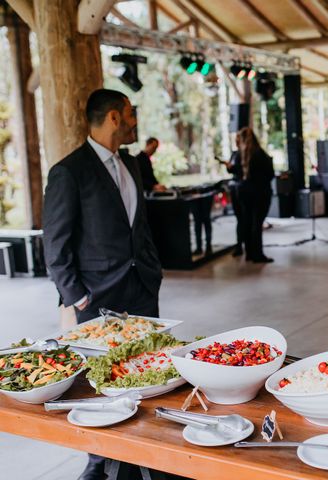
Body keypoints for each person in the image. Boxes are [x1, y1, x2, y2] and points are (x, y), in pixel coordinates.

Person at [42, 88, 163, 480]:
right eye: (130, 113)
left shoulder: (132, 163)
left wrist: (151, 270)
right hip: (96, 298)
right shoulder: (69, 171)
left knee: (148, 373)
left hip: (141, 287)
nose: (134, 119)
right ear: (114, 117)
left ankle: (145, 456)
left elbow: (138, 227)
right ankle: (99, 465)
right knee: (101, 385)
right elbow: (56, 245)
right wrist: (77, 297)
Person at [236, 127, 275, 263]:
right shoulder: (259, 154)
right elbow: (270, 174)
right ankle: (257, 254)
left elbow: (236, 173)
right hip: (259, 193)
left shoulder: (238, 155)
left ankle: (249, 253)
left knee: (247, 222)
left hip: (244, 192)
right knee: (256, 224)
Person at [220, 141, 244, 257]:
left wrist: (233, 167)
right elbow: (231, 170)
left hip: (243, 188)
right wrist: (228, 166)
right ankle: (239, 245)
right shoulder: (234, 154)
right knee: (239, 218)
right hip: (235, 189)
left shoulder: (245, 154)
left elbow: (240, 170)